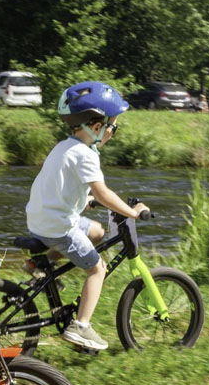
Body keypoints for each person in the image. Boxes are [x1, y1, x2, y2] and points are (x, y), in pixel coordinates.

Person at [25, 81, 149, 351]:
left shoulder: (64, 147)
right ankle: (80, 327)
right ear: (96, 128)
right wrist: (131, 213)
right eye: (112, 127)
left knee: (95, 231)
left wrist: (86, 200)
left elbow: (60, 188)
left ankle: (40, 266)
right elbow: (104, 193)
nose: (113, 132)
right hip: (58, 226)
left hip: (40, 220)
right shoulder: (86, 155)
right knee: (97, 269)